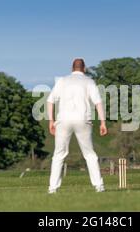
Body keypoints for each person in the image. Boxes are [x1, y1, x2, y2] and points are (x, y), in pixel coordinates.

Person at [46, 58, 108, 194]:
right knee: (90, 154)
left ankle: (52, 188)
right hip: (82, 119)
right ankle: (99, 186)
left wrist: (51, 121)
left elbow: (50, 101)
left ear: (71, 68)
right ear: (84, 68)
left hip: (63, 120)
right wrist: (103, 122)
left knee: (59, 155)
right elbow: (98, 103)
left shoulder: (62, 81)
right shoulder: (89, 81)